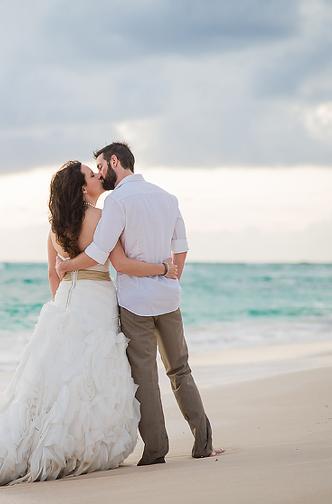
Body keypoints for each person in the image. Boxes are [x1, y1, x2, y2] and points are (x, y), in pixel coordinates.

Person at [0, 161, 179, 488]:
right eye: (91, 175)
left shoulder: (54, 228)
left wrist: (63, 308)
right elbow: (116, 262)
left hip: (66, 300)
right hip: (97, 295)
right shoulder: (101, 218)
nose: (98, 176)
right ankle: (78, 445)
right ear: (83, 188)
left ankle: (30, 443)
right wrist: (161, 268)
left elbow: (52, 273)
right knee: (92, 369)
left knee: (53, 371)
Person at [56, 142, 224, 465]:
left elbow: (100, 254)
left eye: (101, 167)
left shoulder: (117, 201)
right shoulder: (167, 197)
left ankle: (156, 451)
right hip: (168, 299)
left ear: (114, 161)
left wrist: (67, 265)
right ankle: (204, 442)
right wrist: (170, 279)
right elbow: (182, 248)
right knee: (180, 369)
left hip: (135, 302)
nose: (100, 173)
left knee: (146, 377)